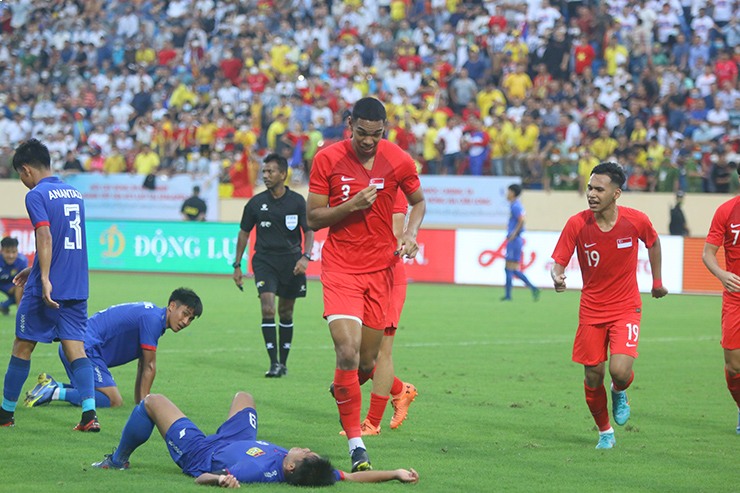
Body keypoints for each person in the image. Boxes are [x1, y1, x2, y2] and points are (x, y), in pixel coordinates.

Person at [306, 97, 426, 471]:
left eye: (376, 134)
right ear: (350, 125)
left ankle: (353, 395)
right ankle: (358, 445)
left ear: (384, 129)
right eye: (362, 133)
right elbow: (313, 218)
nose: (369, 141)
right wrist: (350, 206)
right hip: (341, 268)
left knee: (367, 362)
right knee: (347, 350)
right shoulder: (327, 158)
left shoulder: (399, 159)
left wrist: (410, 232)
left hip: (381, 272)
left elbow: (418, 201)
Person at [550, 162, 668, 449]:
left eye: (599, 189)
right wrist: (557, 276)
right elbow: (559, 262)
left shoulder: (636, 220)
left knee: (619, 371)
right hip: (591, 310)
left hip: (626, 306)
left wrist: (657, 281)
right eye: (590, 188)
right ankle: (605, 432)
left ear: (616, 194)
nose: (591, 194)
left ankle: (619, 391)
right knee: (592, 375)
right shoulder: (576, 223)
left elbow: (653, 243)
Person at [91, 390, 420, 487]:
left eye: (305, 452)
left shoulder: (252, 471)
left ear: (290, 467)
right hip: (237, 439)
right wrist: (394, 473)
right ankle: (228, 427)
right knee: (245, 396)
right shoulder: (314, 472)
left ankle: (117, 461)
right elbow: (353, 476)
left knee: (152, 401)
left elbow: (201, 478)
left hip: (200, 452)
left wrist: (218, 480)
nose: (307, 448)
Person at [0, 138, 99, 431]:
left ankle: (5, 414)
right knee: (75, 348)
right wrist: (35, 267)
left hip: (49, 286)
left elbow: (45, 236)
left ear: (27, 169)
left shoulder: (37, 195)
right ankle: (89, 415)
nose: (22, 180)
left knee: (23, 345)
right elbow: (65, 240)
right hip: (77, 284)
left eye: (20, 174)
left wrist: (42, 278)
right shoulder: (75, 192)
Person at [23, 288, 203, 409]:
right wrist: (146, 406)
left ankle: (53, 386)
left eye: (191, 319)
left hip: (75, 344)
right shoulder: (153, 321)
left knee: (92, 392)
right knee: (112, 400)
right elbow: (149, 366)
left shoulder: (153, 315)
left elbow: (143, 364)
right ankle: (54, 392)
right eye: (185, 314)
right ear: (172, 306)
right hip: (85, 349)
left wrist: (140, 402)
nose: (185, 322)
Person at [233, 154, 314, 378]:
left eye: (270, 171)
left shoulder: (297, 201)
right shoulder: (256, 203)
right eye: (264, 172)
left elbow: (308, 231)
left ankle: (284, 363)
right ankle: (274, 363)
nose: (265, 175)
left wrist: (305, 257)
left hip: (292, 262)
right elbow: (244, 233)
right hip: (265, 262)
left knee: (286, 312)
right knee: (268, 308)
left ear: (283, 174)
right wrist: (237, 264)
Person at [346, 190, 418, 436]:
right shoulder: (363, 189)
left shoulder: (392, 190)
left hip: (387, 277)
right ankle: (400, 389)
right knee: (362, 351)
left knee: (381, 351)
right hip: (364, 275)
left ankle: (372, 423)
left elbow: (396, 233)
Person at [702, 190, 740, 433]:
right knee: (734, 365)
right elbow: (708, 254)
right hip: (736, 298)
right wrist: (722, 274)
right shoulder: (726, 211)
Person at [501, 184, 540, 302]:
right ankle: (533, 288)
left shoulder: (515, 206)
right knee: (513, 269)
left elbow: (522, 219)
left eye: (508, 191)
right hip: (516, 240)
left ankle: (509, 296)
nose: (507, 194)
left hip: (515, 240)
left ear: (513, 193)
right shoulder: (515, 205)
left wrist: (513, 233)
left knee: (509, 268)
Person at [0, 236, 28, 315]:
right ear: (2, 251)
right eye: (7, 252)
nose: (11, 255)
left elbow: (22, 280)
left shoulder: (22, 261)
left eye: (14, 252)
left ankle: (19, 311)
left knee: (23, 286)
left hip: (12, 284)